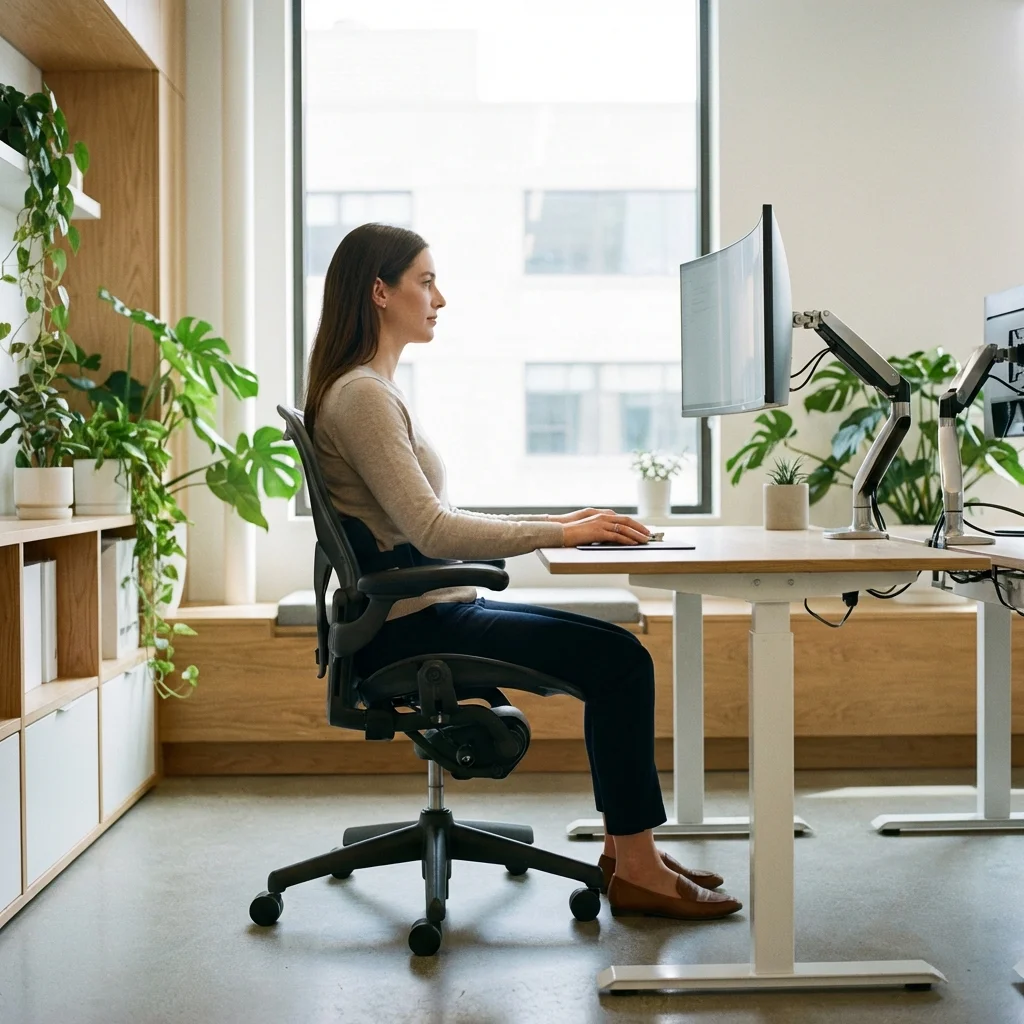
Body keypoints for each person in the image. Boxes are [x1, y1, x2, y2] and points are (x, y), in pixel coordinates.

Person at [304, 222, 740, 921]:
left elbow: (431, 516)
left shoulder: (370, 390)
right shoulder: (362, 396)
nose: (439, 297)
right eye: (425, 280)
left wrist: (558, 520)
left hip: (415, 614)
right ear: (380, 292)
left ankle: (631, 854)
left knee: (617, 655)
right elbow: (433, 528)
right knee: (620, 661)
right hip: (413, 628)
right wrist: (562, 531)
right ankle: (635, 866)